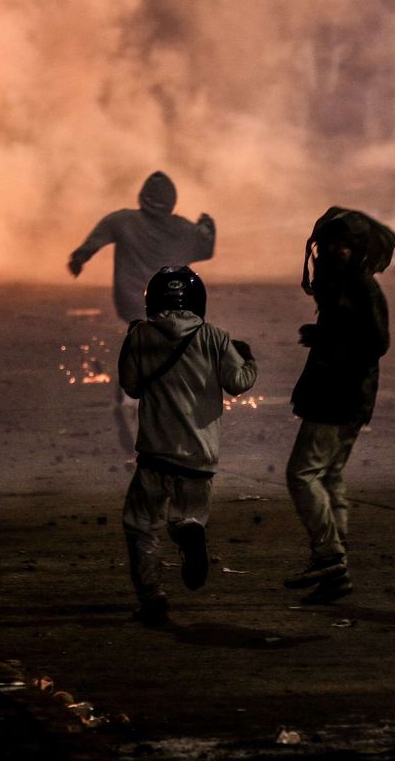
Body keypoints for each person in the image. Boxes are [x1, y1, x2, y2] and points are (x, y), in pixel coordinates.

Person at [117, 266, 257, 625]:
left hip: (155, 454)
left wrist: (134, 341)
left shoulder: (141, 336)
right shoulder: (216, 337)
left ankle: (153, 599)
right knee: (187, 514)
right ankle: (189, 530)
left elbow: (131, 386)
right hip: (200, 455)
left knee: (141, 524)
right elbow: (238, 382)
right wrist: (250, 360)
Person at [282, 207, 394, 605]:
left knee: (302, 474)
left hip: (339, 395)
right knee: (328, 476)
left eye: (344, 244)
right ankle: (335, 568)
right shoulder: (341, 284)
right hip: (345, 395)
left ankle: (329, 556)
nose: (335, 250)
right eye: (330, 243)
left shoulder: (362, 287)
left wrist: (329, 338)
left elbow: (376, 343)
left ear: (358, 248)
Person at [68, 171, 216, 452]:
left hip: (132, 305)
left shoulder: (122, 220)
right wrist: (208, 227)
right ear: (172, 202)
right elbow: (205, 249)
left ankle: (130, 403)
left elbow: (94, 241)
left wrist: (79, 258)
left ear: (142, 198)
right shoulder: (185, 229)